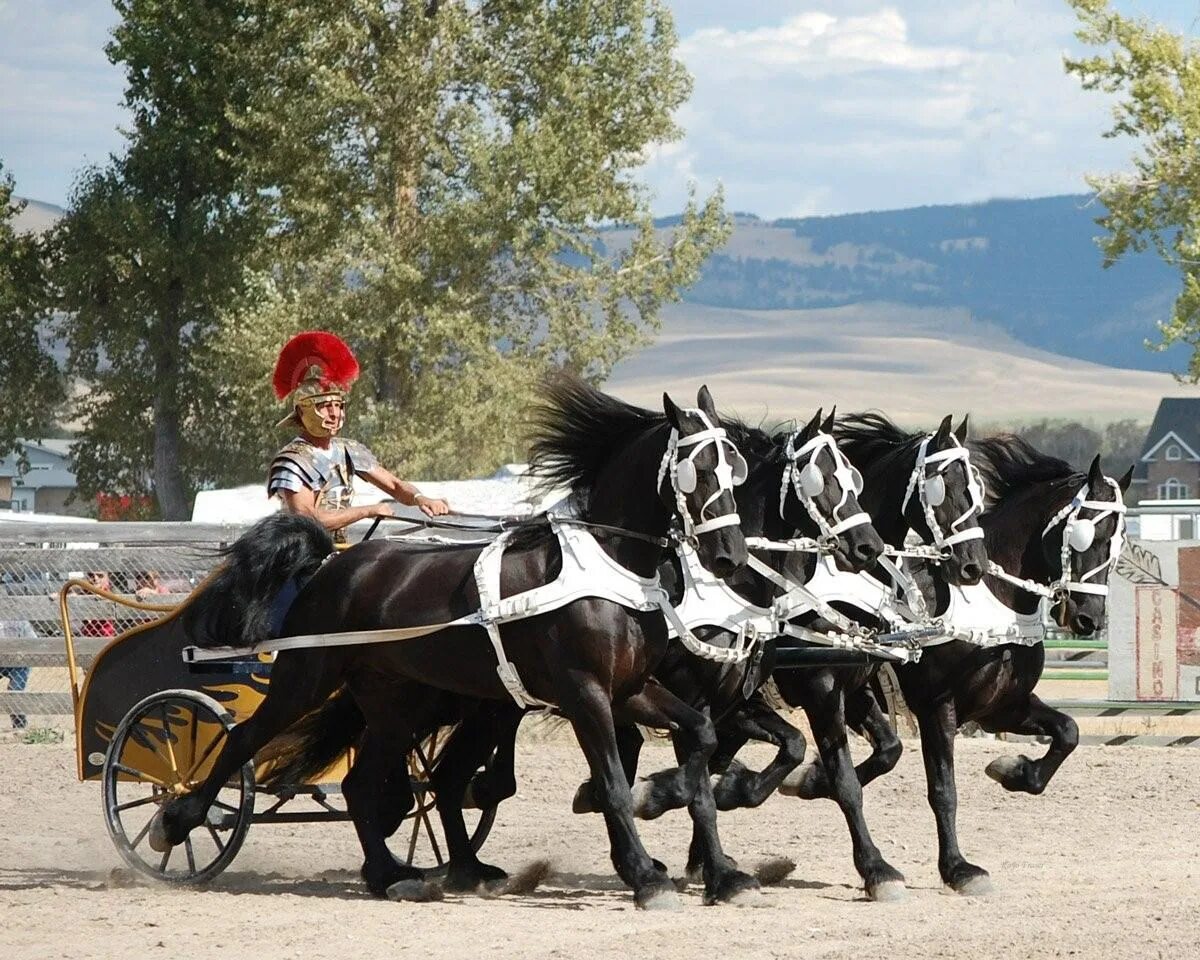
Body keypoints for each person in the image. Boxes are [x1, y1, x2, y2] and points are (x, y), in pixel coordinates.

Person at [267, 331, 451, 543]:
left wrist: (421, 499)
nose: (334, 414)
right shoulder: (293, 460)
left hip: (337, 549)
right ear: (302, 412)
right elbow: (306, 518)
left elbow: (395, 486)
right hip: (299, 557)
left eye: (338, 405)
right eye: (325, 406)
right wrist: (368, 511)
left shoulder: (348, 450)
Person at [0, 620, 35, 730]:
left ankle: (19, 725)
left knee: (15, 689)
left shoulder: (22, 622)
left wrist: (21, 654)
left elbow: (34, 642)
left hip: (18, 662)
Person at [79, 570, 116, 639]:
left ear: (108, 578)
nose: (95, 579)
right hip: (88, 634)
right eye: (91, 575)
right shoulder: (85, 591)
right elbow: (74, 588)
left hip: (108, 635)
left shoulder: (112, 592)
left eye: (100, 576)